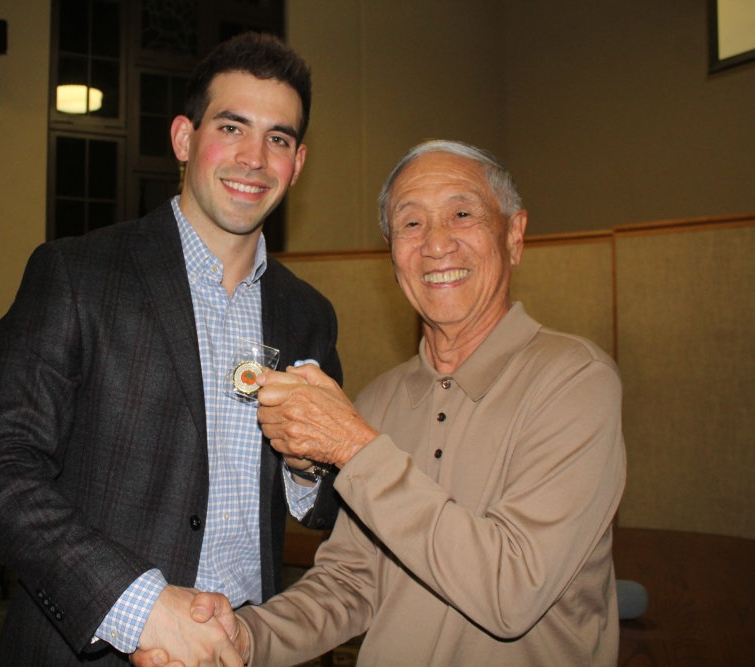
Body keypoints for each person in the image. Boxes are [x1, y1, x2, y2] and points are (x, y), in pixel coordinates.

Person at [143, 140, 626, 666]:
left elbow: (512, 590)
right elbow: (351, 582)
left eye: (463, 214)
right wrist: (246, 639)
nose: (437, 244)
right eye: (411, 224)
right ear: (392, 252)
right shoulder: (380, 399)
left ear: (514, 235)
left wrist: (352, 444)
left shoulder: (576, 381)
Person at [0, 33, 342, 667]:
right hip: (100, 645)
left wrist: (308, 466)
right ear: (185, 139)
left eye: (278, 138)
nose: (254, 158)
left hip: (247, 647)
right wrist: (140, 606)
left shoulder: (309, 316)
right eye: (232, 127)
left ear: (297, 163)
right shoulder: (77, 274)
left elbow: (325, 504)